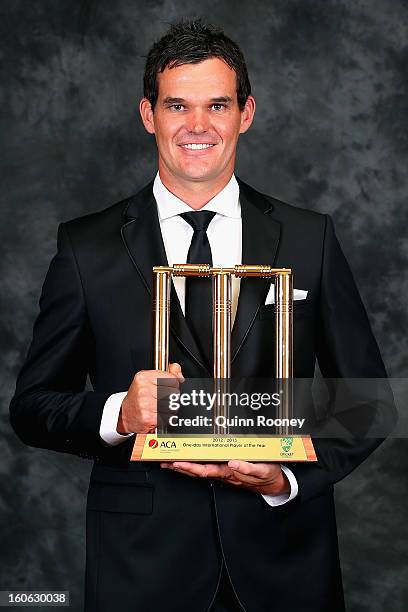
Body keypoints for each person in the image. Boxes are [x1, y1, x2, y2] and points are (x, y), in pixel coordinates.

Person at [10, 19, 387, 612]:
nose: (198, 126)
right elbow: (32, 407)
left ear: (246, 112)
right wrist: (119, 414)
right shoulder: (87, 247)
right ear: (147, 114)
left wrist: (286, 479)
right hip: (141, 568)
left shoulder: (310, 237)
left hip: (285, 565)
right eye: (177, 105)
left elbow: (369, 400)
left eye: (218, 104)